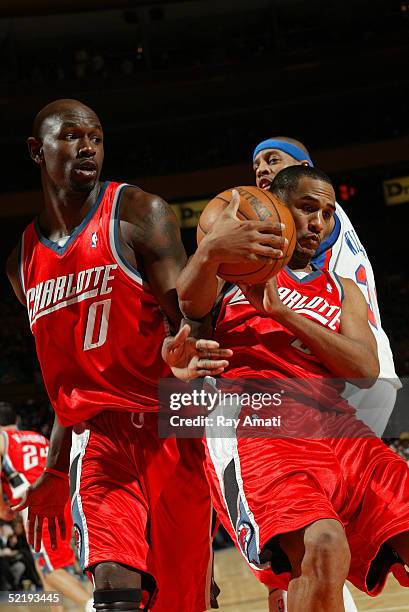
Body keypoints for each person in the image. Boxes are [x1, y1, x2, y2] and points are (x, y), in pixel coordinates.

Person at [5, 98, 279, 611]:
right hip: (100, 439)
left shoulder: (138, 214)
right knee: (113, 586)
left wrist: (189, 343)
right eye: (71, 136)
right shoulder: (22, 261)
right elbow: (68, 380)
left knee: (184, 600)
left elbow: (192, 318)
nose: (87, 146)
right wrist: (57, 470)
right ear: (35, 150)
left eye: (97, 137)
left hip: (170, 425)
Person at [174, 166, 409, 611]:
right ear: (278, 209)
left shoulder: (343, 289)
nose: (318, 222)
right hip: (260, 423)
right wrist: (208, 251)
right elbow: (189, 302)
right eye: (306, 208)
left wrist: (283, 313)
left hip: (338, 426)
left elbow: (363, 368)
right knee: (321, 546)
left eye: (326, 212)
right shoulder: (232, 272)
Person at [252, 136, 401, 437]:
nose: (262, 170)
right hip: (366, 365)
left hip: (346, 366)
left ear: (304, 167)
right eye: (256, 165)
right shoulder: (328, 213)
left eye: (272, 159)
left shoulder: (312, 217)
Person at [0, 402, 92, 611]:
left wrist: (1, 509)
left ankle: (92, 606)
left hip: (39, 504)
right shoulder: (39, 438)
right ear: (16, 421)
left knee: (50, 569)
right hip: (64, 498)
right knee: (46, 570)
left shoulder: (2, 439)